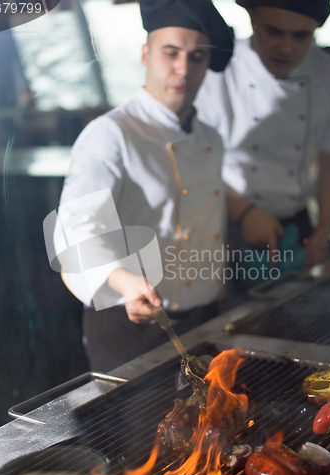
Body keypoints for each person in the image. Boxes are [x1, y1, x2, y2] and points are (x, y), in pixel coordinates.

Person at [53, 0, 234, 371]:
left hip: (202, 320)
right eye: (171, 53)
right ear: (145, 54)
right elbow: (76, 229)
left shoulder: (211, 139)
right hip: (130, 325)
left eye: (197, 57)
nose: (183, 68)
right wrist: (123, 282)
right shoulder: (111, 133)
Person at [195, 0, 330, 276]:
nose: (286, 48)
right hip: (230, 223)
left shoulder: (328, 73)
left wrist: (324, 228)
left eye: (301, 36)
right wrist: (244, 213)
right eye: (273, 31)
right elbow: (193, 166)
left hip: (298, 220)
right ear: (252, 17)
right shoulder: (218, 71)